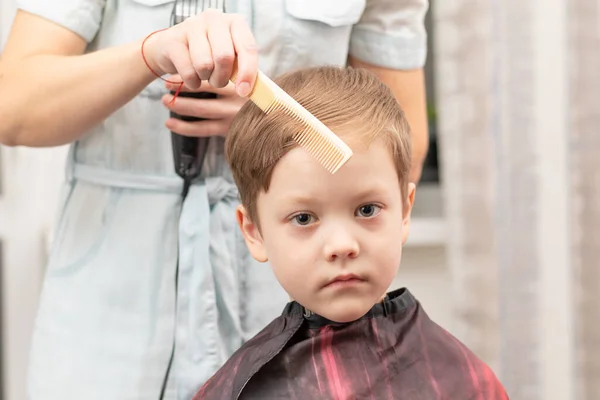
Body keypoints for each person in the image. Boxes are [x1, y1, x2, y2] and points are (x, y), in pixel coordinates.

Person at [0, 1, 430, 399]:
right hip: (108, 311)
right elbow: (13, 106)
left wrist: (277, 121)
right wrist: (149, 56)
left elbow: (401, 146)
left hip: (293, 311)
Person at [194, 66, 509, 400]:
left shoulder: (464, 382)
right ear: (254, 231)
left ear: (404, 210)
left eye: (367, 210)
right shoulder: (239, 391)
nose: (342, 245)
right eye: (304, 218)